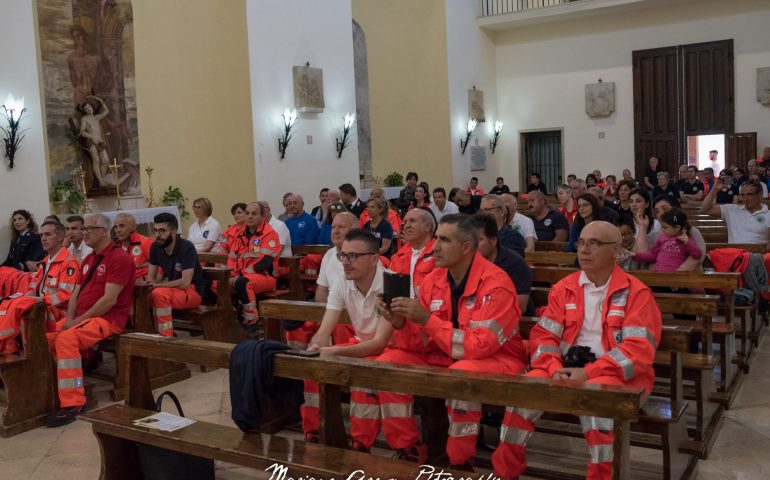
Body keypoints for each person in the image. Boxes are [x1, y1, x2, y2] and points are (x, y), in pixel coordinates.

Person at [492, 221, 661, 479]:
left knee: (596, 406)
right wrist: (554, 367)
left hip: (620, 377)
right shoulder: (564, 288)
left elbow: (637, 353)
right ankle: (506, 472)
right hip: (563, 370)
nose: (584, 249)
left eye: (594, 243)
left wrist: (589, 373)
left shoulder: (636, 294)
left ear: (616, 250)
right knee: (521, 395)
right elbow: (543, 337)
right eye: (581, 242)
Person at [376, 214, 527, 469]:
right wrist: (400, 322)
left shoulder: (496, 284)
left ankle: (459, 460)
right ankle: (408, 448)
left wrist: (427, 320)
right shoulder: (434, 280)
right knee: (389, 362)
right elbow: (418, 342)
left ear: (466, 247)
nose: (434, 247)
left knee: (461, 373)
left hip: (499, 359)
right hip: (446, 356)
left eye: (444, 240)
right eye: (436, 239)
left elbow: (480, 347)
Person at [300, 230, 395, 448]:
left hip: (394, 348)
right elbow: (325, 329)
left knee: (364, 372)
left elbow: (380, 343)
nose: (345, 262)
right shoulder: (342, 280)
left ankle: (364, 443)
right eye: (343, 255)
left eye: (353, 256)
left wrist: (334, 351)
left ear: (374, 259)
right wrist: (317, 347)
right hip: (362, 343)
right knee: (312, 366)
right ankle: (314, 429)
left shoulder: (392, 282)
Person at [46, 213, 136, 427]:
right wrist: (70, 317)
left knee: (66, 339)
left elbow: (109, 301)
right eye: (84, 229)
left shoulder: (119, 258)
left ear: (104, 231)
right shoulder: (89, 259)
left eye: (88, 229)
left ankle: (73, 402)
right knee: (45, 337)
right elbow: (75, 294)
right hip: (83, 317)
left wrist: (75, 323)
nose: (83, 233)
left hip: (108, 319)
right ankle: (60, 386)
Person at [0, 221, 79, 354]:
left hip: (59, 311)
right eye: (42, 235)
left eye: (48, 234)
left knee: (22, 310)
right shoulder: (45, 262)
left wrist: (39, 301)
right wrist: (26, 299)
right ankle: (10, 349)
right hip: (41, 306)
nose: (43, 238)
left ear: (60, 237)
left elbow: (66, 295)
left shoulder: (69, 263)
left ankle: (26, 355)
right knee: (8, 304)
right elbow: (32, 289)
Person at [222, 202, 281, 333]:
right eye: (247, 213)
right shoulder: (241, 233)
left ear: (262, 216)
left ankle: (251, 320)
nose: (249, 217)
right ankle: (230, 316)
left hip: (265, 276)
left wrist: (241, 275)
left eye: (254, 214)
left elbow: (266, 262)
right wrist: (231, 274)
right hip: (241, 274)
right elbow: (232, 257)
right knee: (215, 282)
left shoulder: (269, 233)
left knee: (243, 283)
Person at [145, 213, 205, 336]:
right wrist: (148, 282)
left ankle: (166, 336)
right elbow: (151, 277)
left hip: (192, 291)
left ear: (173, 232)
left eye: (162, 231)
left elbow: (185, 283)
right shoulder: (155, 247)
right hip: (172, 290)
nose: (158, 235)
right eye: (155, 231)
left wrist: (157, 286)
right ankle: (147, 334)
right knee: (141, 295)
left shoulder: (186, 247)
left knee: (158, 294)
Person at [472, 215, 532, 314]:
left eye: (479, 240)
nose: (473, 245)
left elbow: (520, 305)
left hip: (512, 321)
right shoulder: (469, 262)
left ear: (493, 240)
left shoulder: (515, 263)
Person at [700, 179, 770, 248]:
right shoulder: (731, 209)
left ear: (760, 195)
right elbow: (704, 209)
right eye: (742, 195)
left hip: (758, 256)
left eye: (749, 194)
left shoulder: (768, 214)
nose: (745, 198)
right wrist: (714, 190)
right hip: (734, 255)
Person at [632, 208, 702, 272]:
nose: (662, 230)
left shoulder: (686, 239)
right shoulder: (662, 238)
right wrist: (636, 255)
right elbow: (653, 255)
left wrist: (688, 243)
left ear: (677, 228)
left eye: (665, 227)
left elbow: (697, 255)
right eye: (661, 226)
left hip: (674, 276)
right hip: (657, 272)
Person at [389, 208, 437, 298]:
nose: (407, 226)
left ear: (428, 226)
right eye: (405, 223)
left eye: (412, 221)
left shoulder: (441, 254)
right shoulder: (397, 257)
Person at [313, 212, 360, 304]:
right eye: (333, 227)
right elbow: (322, 289)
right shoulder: (329, 254)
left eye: (341, 227)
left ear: (354, 230)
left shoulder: (364, 255)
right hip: (331, 310)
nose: (336, 231)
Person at [113, 213, 153, 280]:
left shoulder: (145, 242)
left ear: (133, 227)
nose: (117, 230)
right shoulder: (115, 247)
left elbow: (161, 263)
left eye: (122, 226)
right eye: (115, 227)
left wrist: (141, 266)